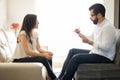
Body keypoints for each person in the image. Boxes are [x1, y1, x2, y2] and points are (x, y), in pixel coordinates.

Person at [58, 3, 116, 80]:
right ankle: (59, 78)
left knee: (76, 58)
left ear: (99, 15)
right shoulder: (99, 25)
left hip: (105, 56)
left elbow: (106, 48)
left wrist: (89, 42)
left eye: (92, 15)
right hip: (97, 52)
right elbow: (91, 38)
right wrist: (80, 34)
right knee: (72, 51)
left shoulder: (108, 27)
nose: (90, 18)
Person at [12, 14, 58, 80]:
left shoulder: (35, 34)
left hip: (28, 58)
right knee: (43, 58)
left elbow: (38, 48)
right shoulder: (23, 33)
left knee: (48, 57)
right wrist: (43, 55)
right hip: (19, 60)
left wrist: (47, 52)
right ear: (31, 22)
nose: (38, 22)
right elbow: (27, 51)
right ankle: (55, 78)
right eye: (37, 21)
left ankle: (49, 77)